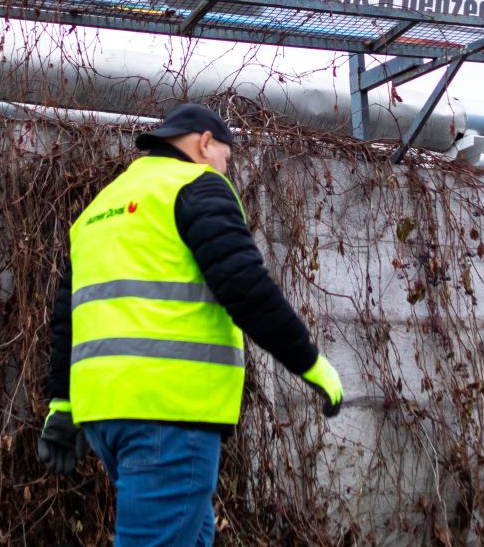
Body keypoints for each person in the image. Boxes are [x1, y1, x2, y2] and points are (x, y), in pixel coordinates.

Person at [39, 103, 344, 547]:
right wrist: (312, 364)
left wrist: (62, 404)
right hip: (169, 416)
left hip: (104, 416)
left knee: (195, 535)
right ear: (204, 143)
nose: (226, 169)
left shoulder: (98, 209)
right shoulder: (196, 185)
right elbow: (245, 287)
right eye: (226, 157)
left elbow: (68, 316)